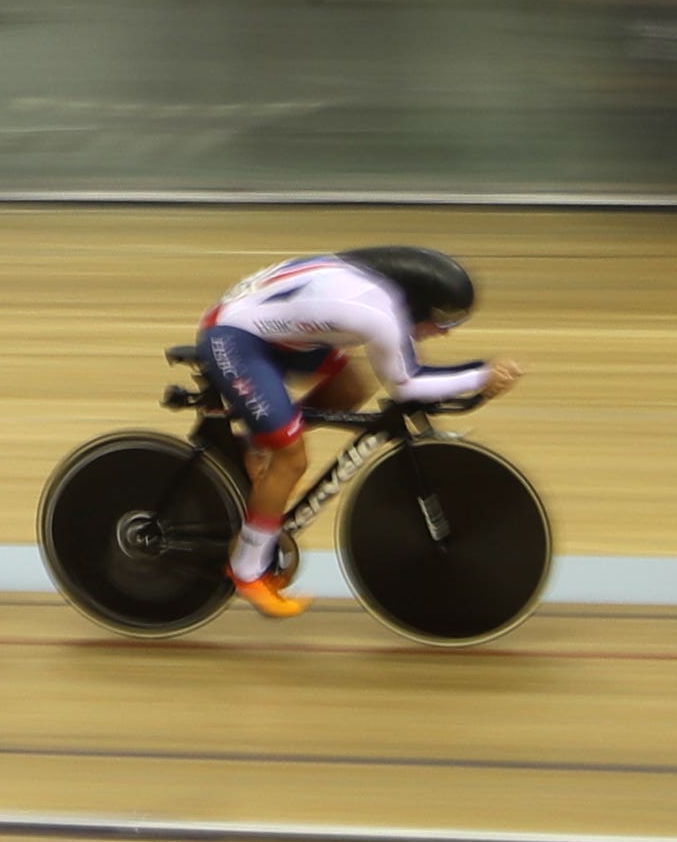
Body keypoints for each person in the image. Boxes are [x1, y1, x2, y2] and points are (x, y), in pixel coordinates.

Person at [199, 245, 524, 619]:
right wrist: (481, 374)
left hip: (273, 328)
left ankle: (261, 440)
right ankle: (247, 571)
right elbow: (406, 384)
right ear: (417, 304)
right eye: (442, 322)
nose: (444, 334)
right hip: (236, 341)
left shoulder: (379, 293)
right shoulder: (374, 312)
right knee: (292, 458)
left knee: (351, 387)